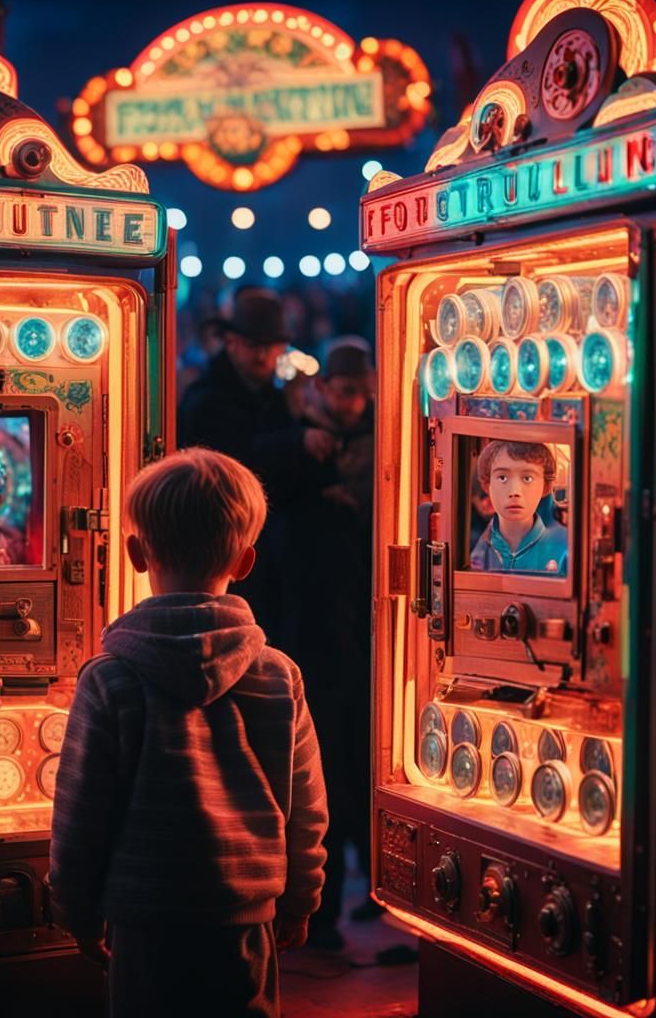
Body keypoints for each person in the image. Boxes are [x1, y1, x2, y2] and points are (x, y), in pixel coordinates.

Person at [47, 448, 329, 1018]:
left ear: (134, 553)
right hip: (246, 916)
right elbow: (306, 805)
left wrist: (75, 910)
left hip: (145, 920)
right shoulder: (278, 674)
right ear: (246, 561)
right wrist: (301, 900)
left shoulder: (109, 679)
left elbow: (80, 811)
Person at [275, 339, 379, 949]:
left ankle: (372, 886)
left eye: (360, 392)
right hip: (307, 631)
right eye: (345, 391)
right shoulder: (293, 435)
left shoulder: (380, 438)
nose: (354, 402)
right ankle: (321, 908)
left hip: (357, 630)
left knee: (360, 763)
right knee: (319, 774)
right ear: (322, 389)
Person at [178, 286, 338, 638]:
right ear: (231, 342)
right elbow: (233, 464)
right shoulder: (207, 398)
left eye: (272, 347)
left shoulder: (272, 394)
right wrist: (298, 439)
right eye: (254, 346)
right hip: (226, 550)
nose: (263, 356)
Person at [469, 440, 568, 575]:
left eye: (527, 478)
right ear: (487, 484)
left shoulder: (564, 548)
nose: (515, 491)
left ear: (545, 486)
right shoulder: (473, 548)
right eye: (502, 477)